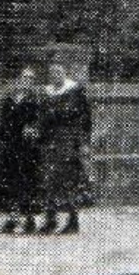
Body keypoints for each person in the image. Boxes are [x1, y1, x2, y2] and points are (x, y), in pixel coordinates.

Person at [35, 63, 93, 235]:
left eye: (59, 73)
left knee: (69, 179)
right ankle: (51, 218)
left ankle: (73, 220)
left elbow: (84, 119)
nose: (55, 76)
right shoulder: (46, 93)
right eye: (52, 73)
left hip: (68, 140)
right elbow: (41, 116)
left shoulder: (75, 92)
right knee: (49, 179)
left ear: (64, 74)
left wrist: (83, 142)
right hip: (50, 140)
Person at [0, 66, 43, 235]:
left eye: (31, 79)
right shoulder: (9, 99)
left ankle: (29, 219)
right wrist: (0, 141)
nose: (27, 81)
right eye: (24, 78)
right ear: (18, 79)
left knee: (27, 181)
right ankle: (12, 218)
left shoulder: (35, 100)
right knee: (10, 182)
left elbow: (40, 121)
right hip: (10, 147)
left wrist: (33, 128)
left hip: (27, 148)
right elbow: (3, 122)